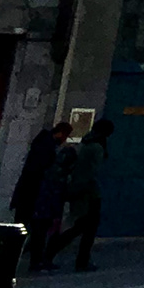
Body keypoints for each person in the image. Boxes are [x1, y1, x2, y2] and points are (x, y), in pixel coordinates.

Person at [43, 116, 113, 272]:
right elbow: (91, 172)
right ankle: (66, 256)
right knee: (84, 228)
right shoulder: (96, 147)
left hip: (81, 190)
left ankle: (59, 254)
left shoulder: (86, 143)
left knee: (81, 227)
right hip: (88, 193)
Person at [11, 117, 71, 269]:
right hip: (35, 195)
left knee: (25, 227)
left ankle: (20, 257)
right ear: (60, 133)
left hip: (29, 193)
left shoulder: (41, 144)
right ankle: (34, 260)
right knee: (37, 229)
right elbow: (41, 172)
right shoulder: (47, 148)